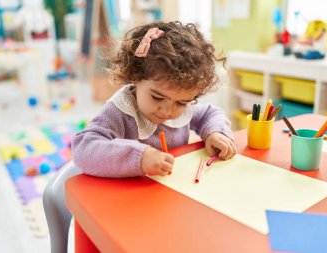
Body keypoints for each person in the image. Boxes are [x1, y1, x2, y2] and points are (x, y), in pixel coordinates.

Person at [72, 21, 236, 178]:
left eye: (181, 102)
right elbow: (83, 148)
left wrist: (215, 133)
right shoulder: (121, 111)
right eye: (157, 97)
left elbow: (210, 113)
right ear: (135, 77)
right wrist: (140, 157)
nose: (167, 110)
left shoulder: (185, 106)